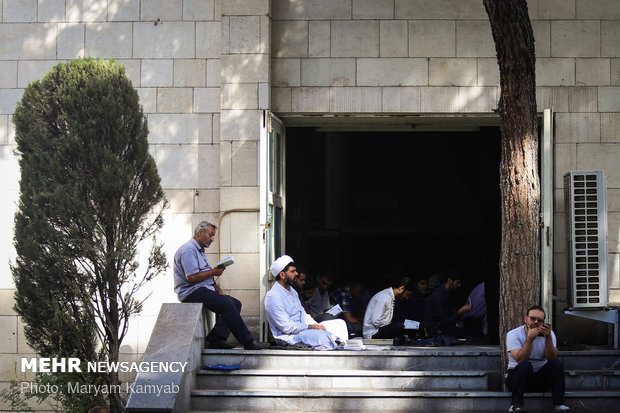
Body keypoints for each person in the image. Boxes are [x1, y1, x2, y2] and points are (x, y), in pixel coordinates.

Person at [174, 221, 268, 350]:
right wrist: (214, 271)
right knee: (226, 304)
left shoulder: (200, 250)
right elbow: (192, 277)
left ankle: (215, 340)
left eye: (213, 236)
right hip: (191, 292)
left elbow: (205, 276)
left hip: (202, 289)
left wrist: (217, 288)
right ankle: (248, 342)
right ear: (200, 233)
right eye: (211, 235)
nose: (212, 239)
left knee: (235, 303)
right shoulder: (188, 250)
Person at [265, 255, 347, 350]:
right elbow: (286, 327)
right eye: (292, 271)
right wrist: (310, 327)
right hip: (290, 336)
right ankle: (333, 344)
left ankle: (335, 343)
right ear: (282, 275)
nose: (296, 273)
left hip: (305, 329)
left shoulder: (292, 291)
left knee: (340, 324)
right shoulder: (273, 296)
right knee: (320, 336)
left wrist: (316, 325)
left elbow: (303, 314)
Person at [505, 305, 570, 413]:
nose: (535, 322)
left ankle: (559, 404)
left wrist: (548, 338)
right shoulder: (513, 334)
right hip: (517, 378)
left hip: (539, 379)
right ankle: (515, 405)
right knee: (526, 365)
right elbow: (520, 359)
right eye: (532, 318)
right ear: (526, 319)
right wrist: (530, 339)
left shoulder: (549, 334)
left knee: (556, 363)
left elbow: (551, 358)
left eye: (539, 320)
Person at [424, 272, 472, 338]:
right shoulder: (439, 296)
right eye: (457, 282)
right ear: (450, 281)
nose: (459, 285)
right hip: (437, 330)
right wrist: (460, 312)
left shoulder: (447, 293)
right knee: (473, 334)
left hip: (443, 328)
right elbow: (445, 321)